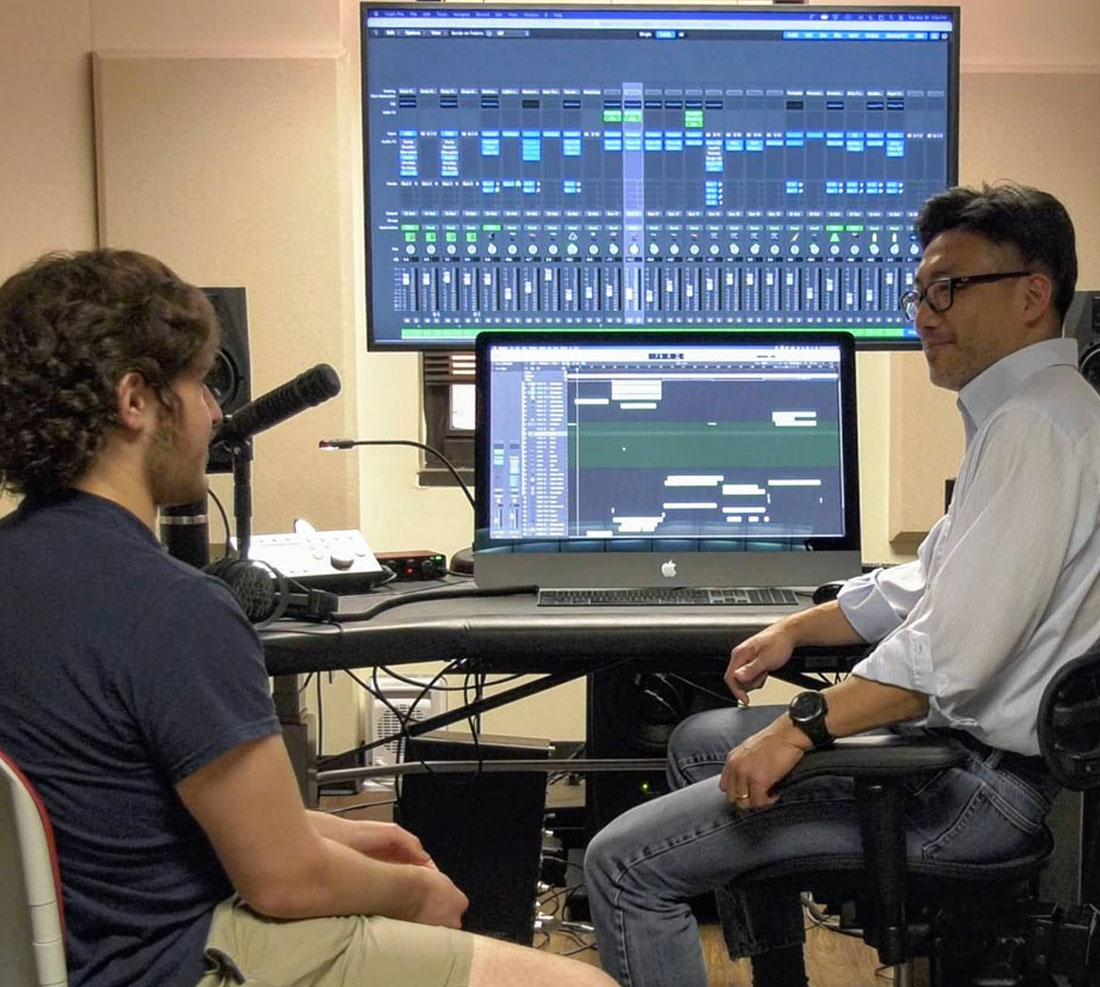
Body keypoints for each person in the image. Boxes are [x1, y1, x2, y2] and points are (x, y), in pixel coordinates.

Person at [0, 248, 615, 987]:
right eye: (197, 384)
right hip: (172, 958)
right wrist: (413, 891)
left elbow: (139, 809)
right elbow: (283, 879)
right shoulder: (172, 609)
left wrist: (344, 834)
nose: (215, 411)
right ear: (136, 400)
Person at [583, 182, 1100, 987]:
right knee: (700, 743)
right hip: (966, 763)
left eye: (948, 289)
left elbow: (950, 656)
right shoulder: (1033, 414)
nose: (924, 314)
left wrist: (799, 726)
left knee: (619, 864)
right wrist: (801, 626)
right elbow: (928, 579)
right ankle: (779, 976)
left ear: (1034, 295)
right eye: (920, 292)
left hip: (975, 793)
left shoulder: (1039, 425)